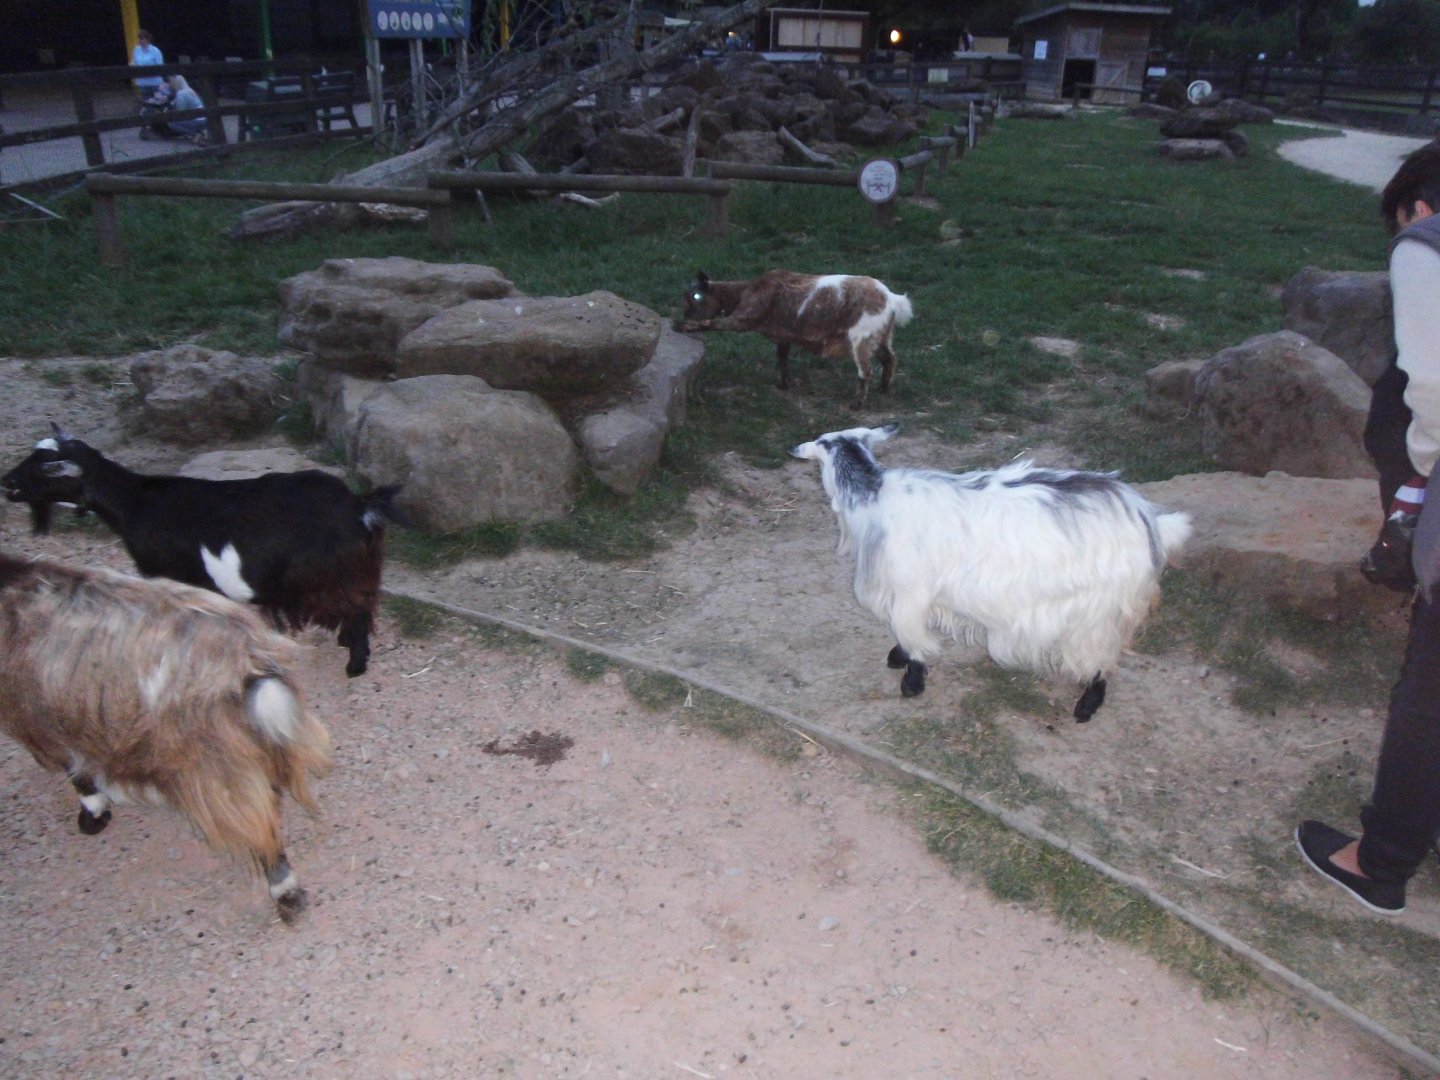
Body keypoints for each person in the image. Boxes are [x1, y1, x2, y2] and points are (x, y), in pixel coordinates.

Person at [1297, 139, 1440, 915]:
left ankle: (1379, 861)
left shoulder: (1427, 244)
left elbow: (1435, 387)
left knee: (1432, 691)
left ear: (1416, 205)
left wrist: (1420, 478)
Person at [160, 75, 209, 145]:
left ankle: (195, 134)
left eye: (170, 82)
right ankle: (198, 132)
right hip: (205, 118)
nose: (170, 84)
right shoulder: (190, 90)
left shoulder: (181, 94)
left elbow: (181, 111)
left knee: (171, 123)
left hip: (197, 120)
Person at [131, 30, 165, 100]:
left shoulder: (155, 51)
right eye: (139, 38)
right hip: (142, 83)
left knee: (156, 102)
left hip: (154, 83)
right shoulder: (136, 50)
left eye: (141, 39)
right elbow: (134, 62)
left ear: (147, 39)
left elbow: (160, 66)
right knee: (145, 103)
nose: (139, 40)